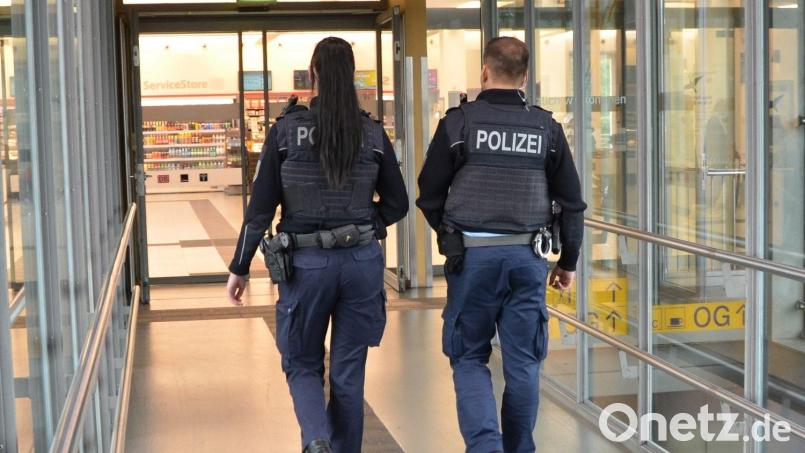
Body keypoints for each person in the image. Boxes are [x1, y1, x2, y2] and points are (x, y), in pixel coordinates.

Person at [226, 37, 408, 453]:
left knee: (303, 362)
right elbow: (397, 203)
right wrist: (364, 225)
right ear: (352, 75)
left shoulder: (287, 131)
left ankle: (316, 439)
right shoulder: (373, 133)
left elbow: (260, 209)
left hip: (305, 265)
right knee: (348, 371)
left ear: (313, 75)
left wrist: (239, 267)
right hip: (362, 264)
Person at [416, 36, 586, 453]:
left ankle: (485, 447)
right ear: (526, 77)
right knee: (523, 362)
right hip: (528, 258)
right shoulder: (546, 128)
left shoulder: (459, 123)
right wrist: (568, 261)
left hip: (471, 258)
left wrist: (450, 235)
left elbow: (428, 192)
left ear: (484, 72)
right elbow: (572, 202)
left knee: (470, 356)